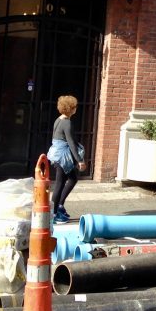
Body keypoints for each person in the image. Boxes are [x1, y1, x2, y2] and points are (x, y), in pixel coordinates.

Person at [46, 94, 85, 224]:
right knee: (60, 184)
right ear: (70, 109)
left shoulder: (58, 120)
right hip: (62, 157)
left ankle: (59, 207)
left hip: (56, 154)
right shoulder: (67, 123)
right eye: (74, 107)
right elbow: (71, 143)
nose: (76, 109)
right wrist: (80, 160)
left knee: (72, 179)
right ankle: (54, 213)